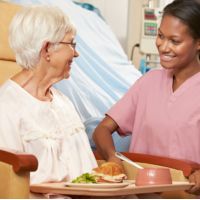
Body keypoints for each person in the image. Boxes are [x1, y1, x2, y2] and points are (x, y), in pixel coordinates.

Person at [93, 0, 200, 196]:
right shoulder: (149, 81)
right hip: (140, 193)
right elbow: (101, 129)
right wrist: (112, 157)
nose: (163, 47)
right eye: (160, 36)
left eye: (175, 41)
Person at [0, 4, 98, 197]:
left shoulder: (65, 103)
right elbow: (10, 183)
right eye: (71, 44)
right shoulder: (6, 106)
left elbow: (90, 174)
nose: (76, 53)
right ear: (46, 49)